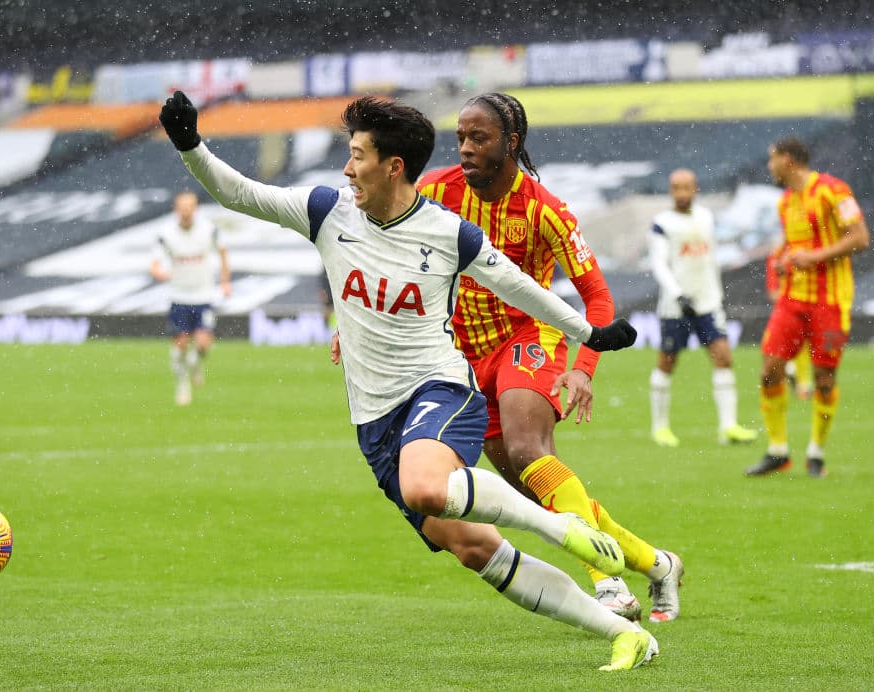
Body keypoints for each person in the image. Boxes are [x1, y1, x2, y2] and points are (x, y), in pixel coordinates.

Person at [159, 90, 658, 670]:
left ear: (393, 166)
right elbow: (237, 192)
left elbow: (523, 287)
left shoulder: (449, 232)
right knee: (473, 549)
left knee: (426, 486)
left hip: (440, 389)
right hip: (374, 421)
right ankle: (624, 635)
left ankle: (559, 525)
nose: (347, 169)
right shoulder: (328, 212)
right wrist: (188, 144)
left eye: (358, 156)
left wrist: (588, 337)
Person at [416, 92, 683, 624]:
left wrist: (583, 368)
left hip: (527, 338)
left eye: (479, 138)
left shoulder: (546, 210)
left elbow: (599, 298)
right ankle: (658, 563)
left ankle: (606, 580)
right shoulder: (435, 191)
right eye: (461, 138)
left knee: (525, 444)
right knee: (537, 496)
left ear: (511, 143)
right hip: (463, 353)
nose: (465, 149)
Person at [747, 137, 870, 477]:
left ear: (788, 160)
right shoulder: (786, 202)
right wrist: (786, 261)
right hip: (793, 299)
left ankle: (816, 452)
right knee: (769, 369)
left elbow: (860, 237)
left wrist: (812, 257)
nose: (769, 166)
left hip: (829, 301)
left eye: (772, 159)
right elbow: (794, 245)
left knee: (824, 378)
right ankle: (778, 451)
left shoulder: (834, 190)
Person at [647, 168, 758, 448]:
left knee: (723, 357)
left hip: (708, 303)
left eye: (686, 187)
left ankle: (728, 427)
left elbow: (710, 261)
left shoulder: (707, 217)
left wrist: (716, 296)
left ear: (695, 189)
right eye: (676, 188)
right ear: (671, 191)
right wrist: (678, 294)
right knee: (667, 362)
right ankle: (660, 428)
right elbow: (659, 264)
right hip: (676, 307)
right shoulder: (662, 223)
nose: (682, 193)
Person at [150, 190, 233, 406]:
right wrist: (159, 272)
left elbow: (223, 252)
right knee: (180, 345)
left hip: (203, 295)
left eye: (190, 207)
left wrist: (225, 282)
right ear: (176, 210)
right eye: (182, 208)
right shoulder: (167, 234)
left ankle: (195, 363)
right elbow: (155, 264)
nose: (186, 212)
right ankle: (182, 383)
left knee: (203, 345)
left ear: (195, 209)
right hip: (179, 296)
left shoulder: (209, 230)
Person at [766, 246, 813, 401]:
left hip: (804, 307)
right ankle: (790, 375)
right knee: (772, 351)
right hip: (786, 310)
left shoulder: (805, 252)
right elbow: (773, 292)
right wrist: (790, 301)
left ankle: (802, 384)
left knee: (802, 345)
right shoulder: (776, 257)